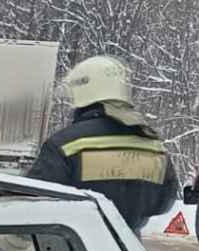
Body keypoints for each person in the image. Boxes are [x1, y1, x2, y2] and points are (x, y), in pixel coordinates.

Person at [28, 55, 178, 235]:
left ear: (84, 92)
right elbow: (163, 203)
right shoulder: (154, 146)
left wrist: (6, 250)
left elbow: (32, 207)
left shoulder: (64, 144)